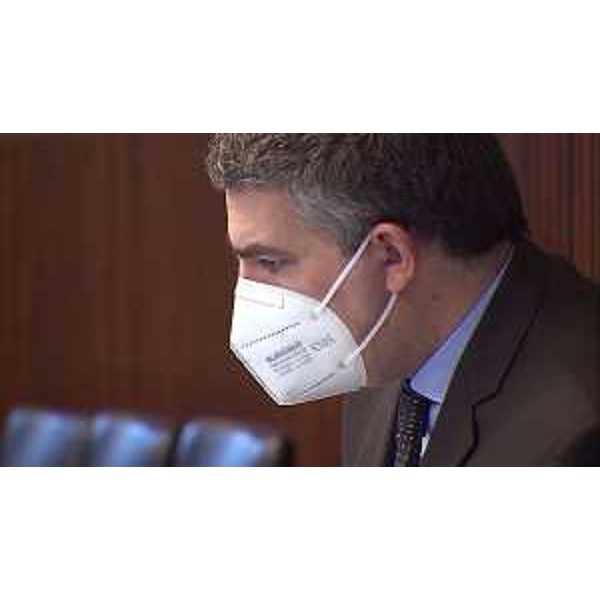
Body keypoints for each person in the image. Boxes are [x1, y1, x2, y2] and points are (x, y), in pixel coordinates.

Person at [206, 134, 600, 466]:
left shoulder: (576, 431)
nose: (249, 291)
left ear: (391, 255)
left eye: (271, 262)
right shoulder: (380, 343)